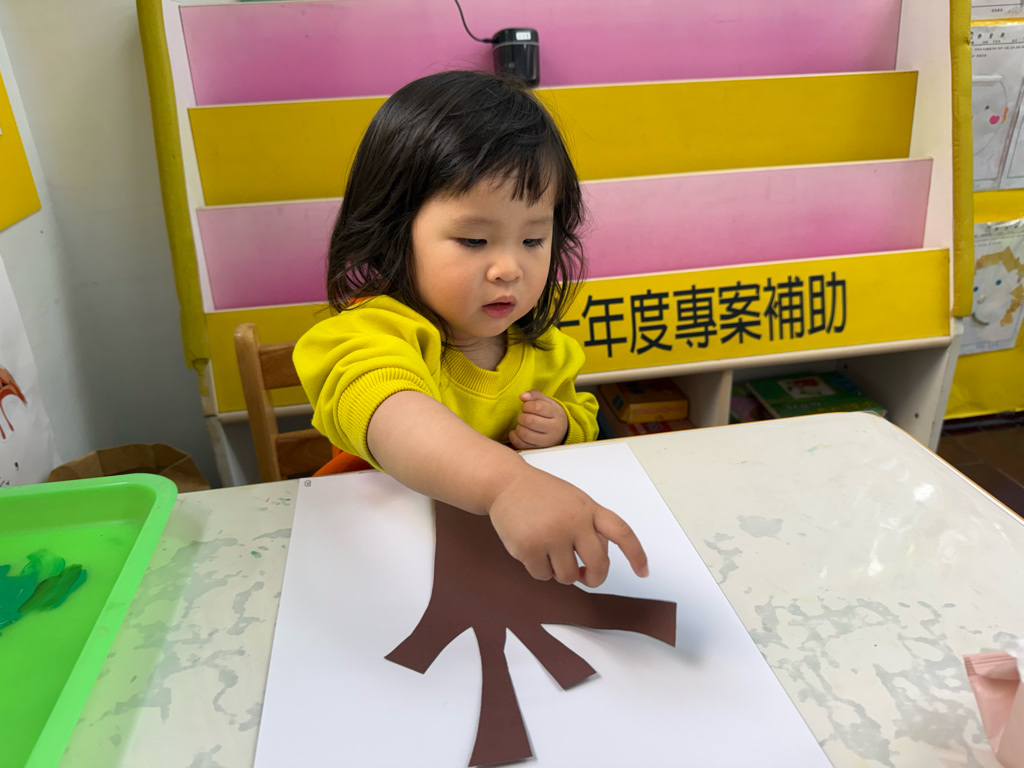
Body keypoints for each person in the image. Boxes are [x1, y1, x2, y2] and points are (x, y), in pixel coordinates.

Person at [294, 70, 648, 588]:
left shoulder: (547, 350)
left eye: (533, 240)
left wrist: (562, 428)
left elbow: (582, 421)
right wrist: (507, 486)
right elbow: (391, 411)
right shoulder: (368, 335)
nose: (509, 268)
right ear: (395, 233)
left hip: (496, 565)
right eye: (474, 241)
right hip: (376, 567)